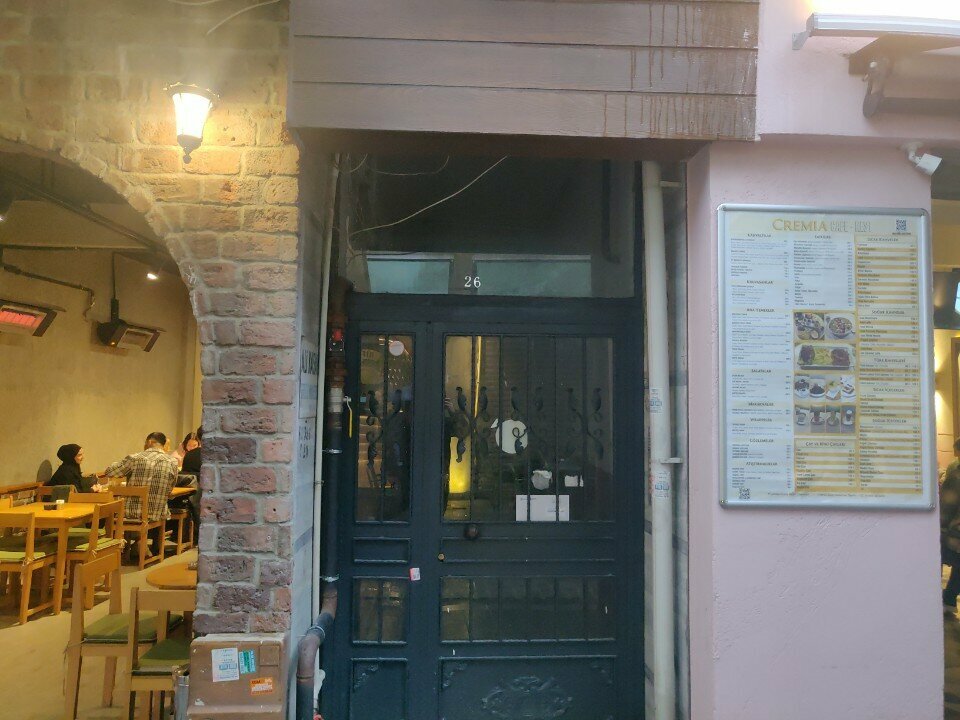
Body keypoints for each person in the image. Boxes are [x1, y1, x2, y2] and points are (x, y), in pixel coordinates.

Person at [103, 432, 178, 526]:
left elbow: (109, 472)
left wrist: (116, 464)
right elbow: (170, 488)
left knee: (107, 512)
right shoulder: (172, 462)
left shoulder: (135, 458)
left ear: (149, 442)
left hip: (131, 513)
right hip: (159, 513)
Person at [941, 438, 960, 614]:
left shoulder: (956, 474)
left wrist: (941, 527)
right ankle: (949, 598)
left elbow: (947, 504)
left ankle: (943, 598)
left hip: (955, 532)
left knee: (939, 558)